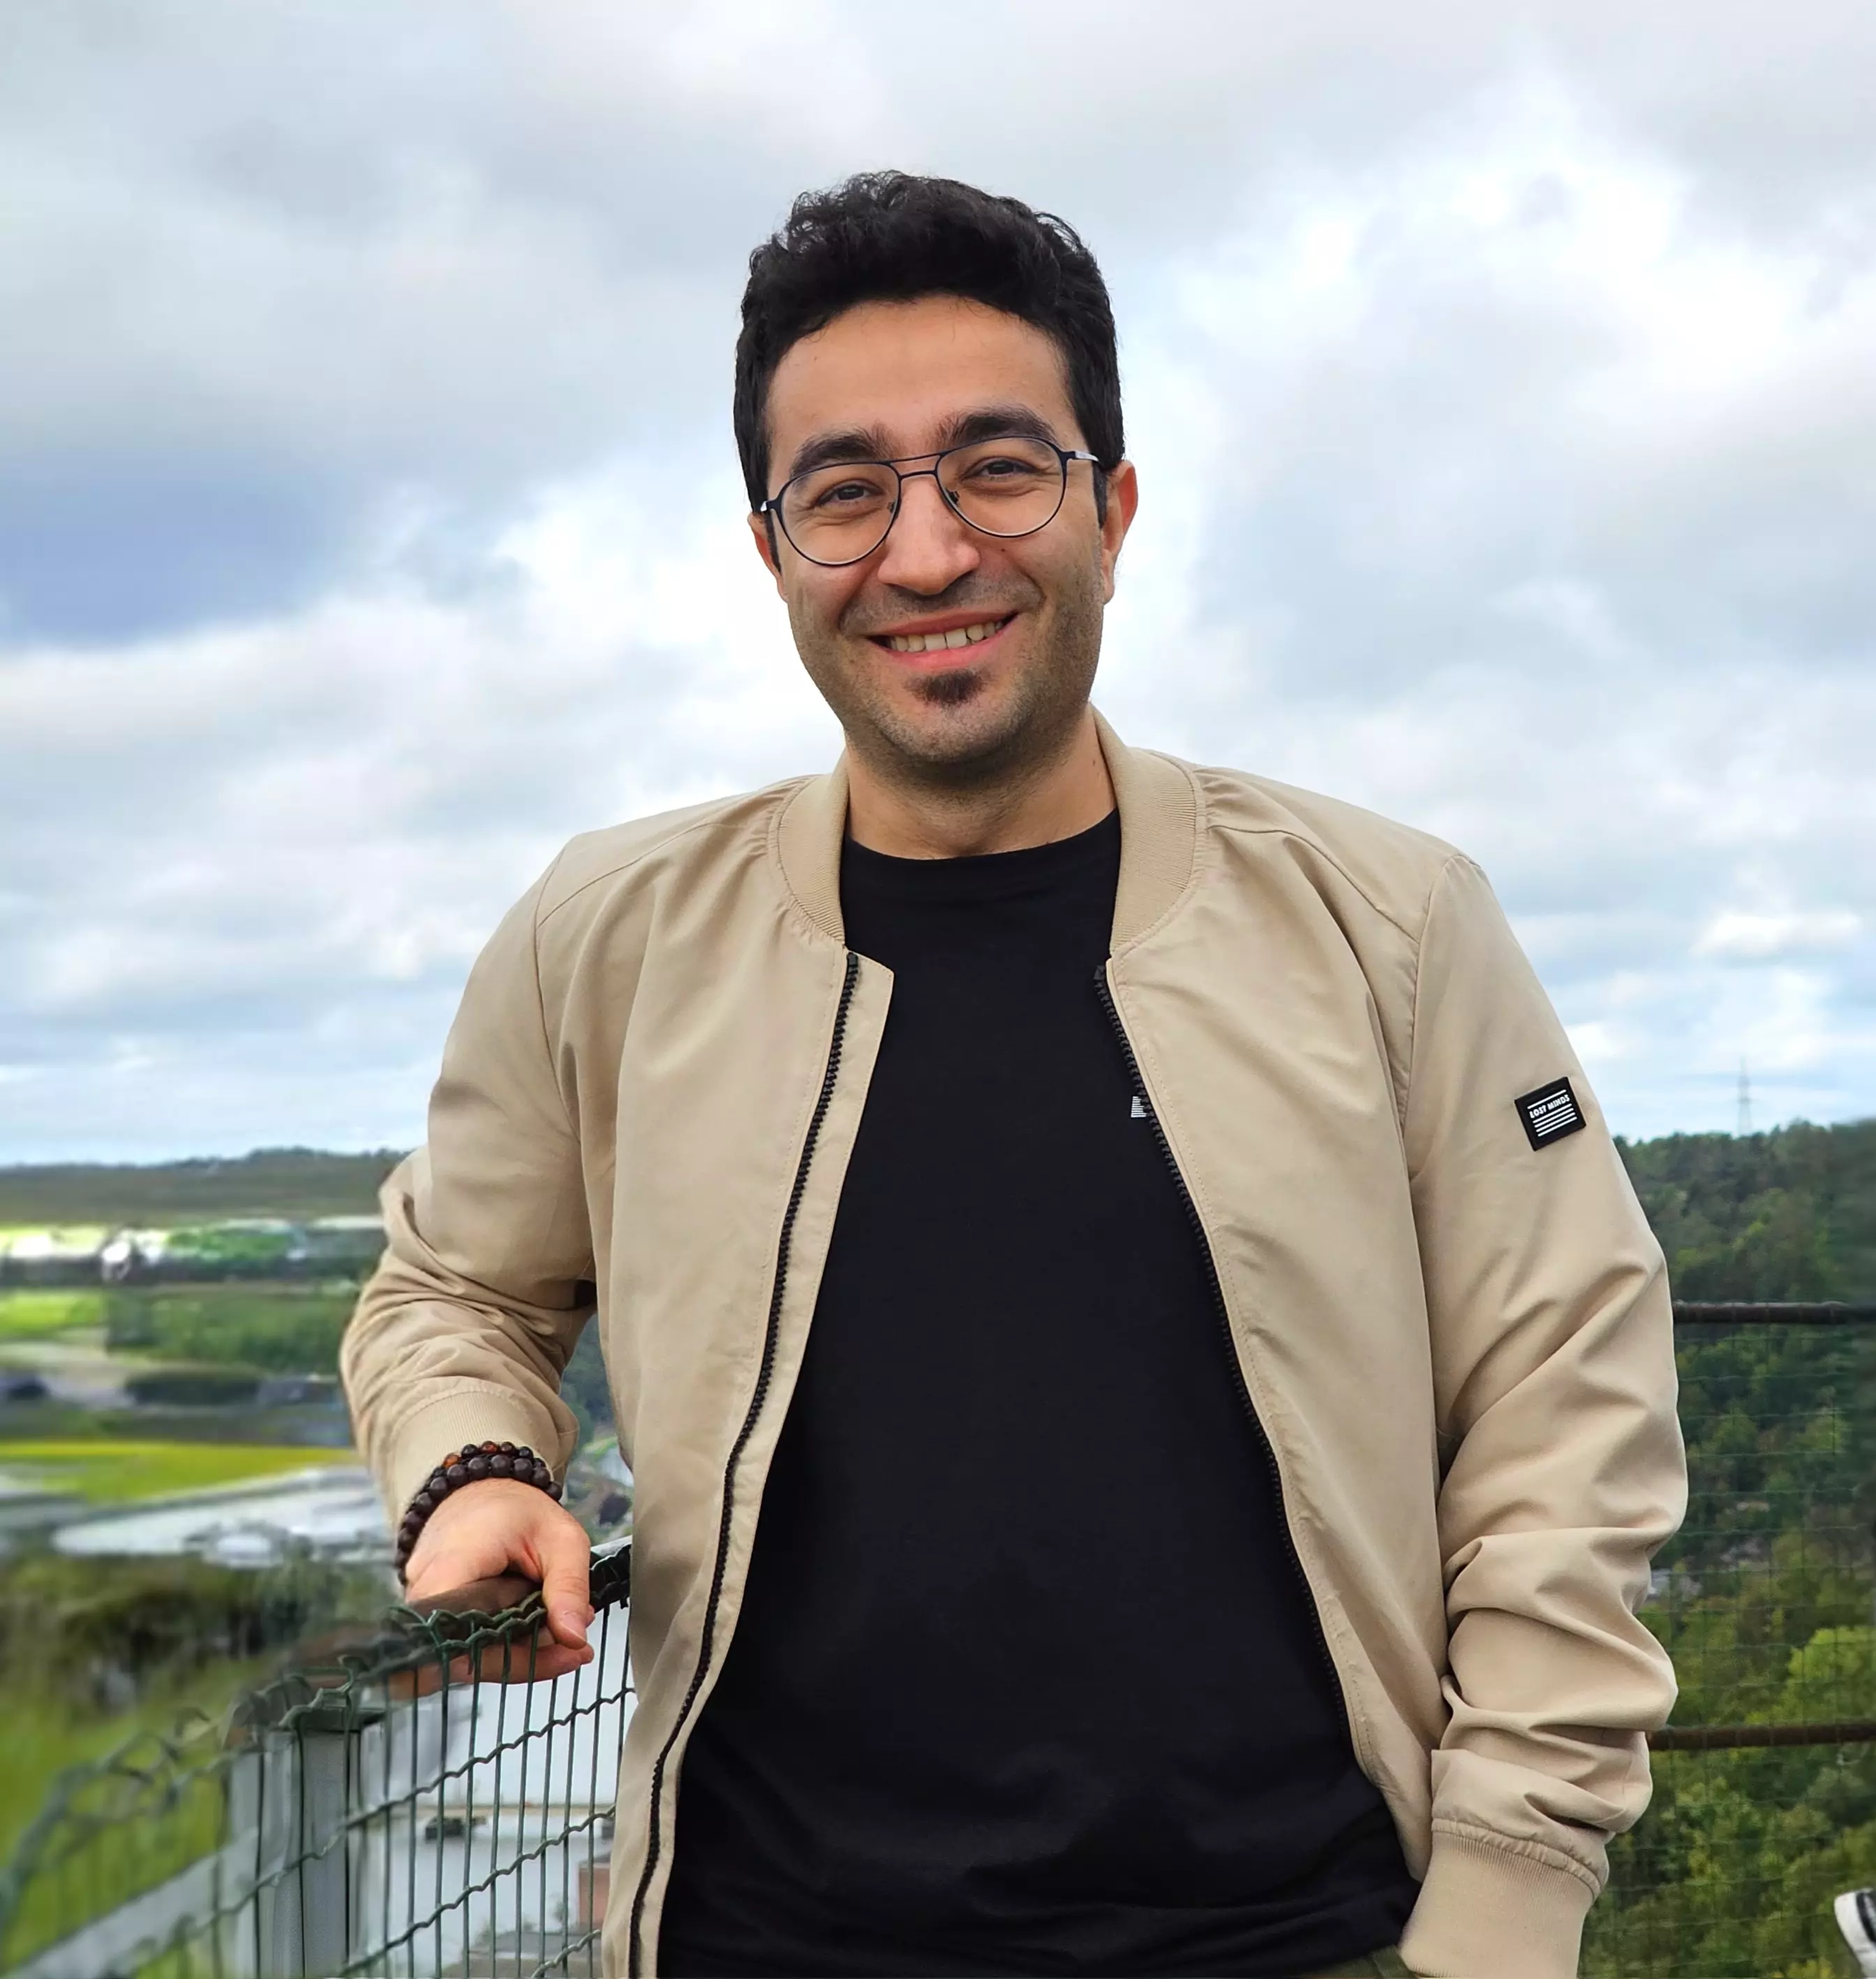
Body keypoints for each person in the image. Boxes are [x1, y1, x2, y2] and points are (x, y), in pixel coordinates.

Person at [342, 171, 1686, 1979]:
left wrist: (1506, 1896)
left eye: (997, 467)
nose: (926, 554)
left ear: (1113, 508)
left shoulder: (1389, 924)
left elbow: (1564, 1394)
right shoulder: (616, 936)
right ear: (770, 552)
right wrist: (477, 1468)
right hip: (759, 1939)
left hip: (1308, 1937)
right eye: (846, 492)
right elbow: (454, 1288)